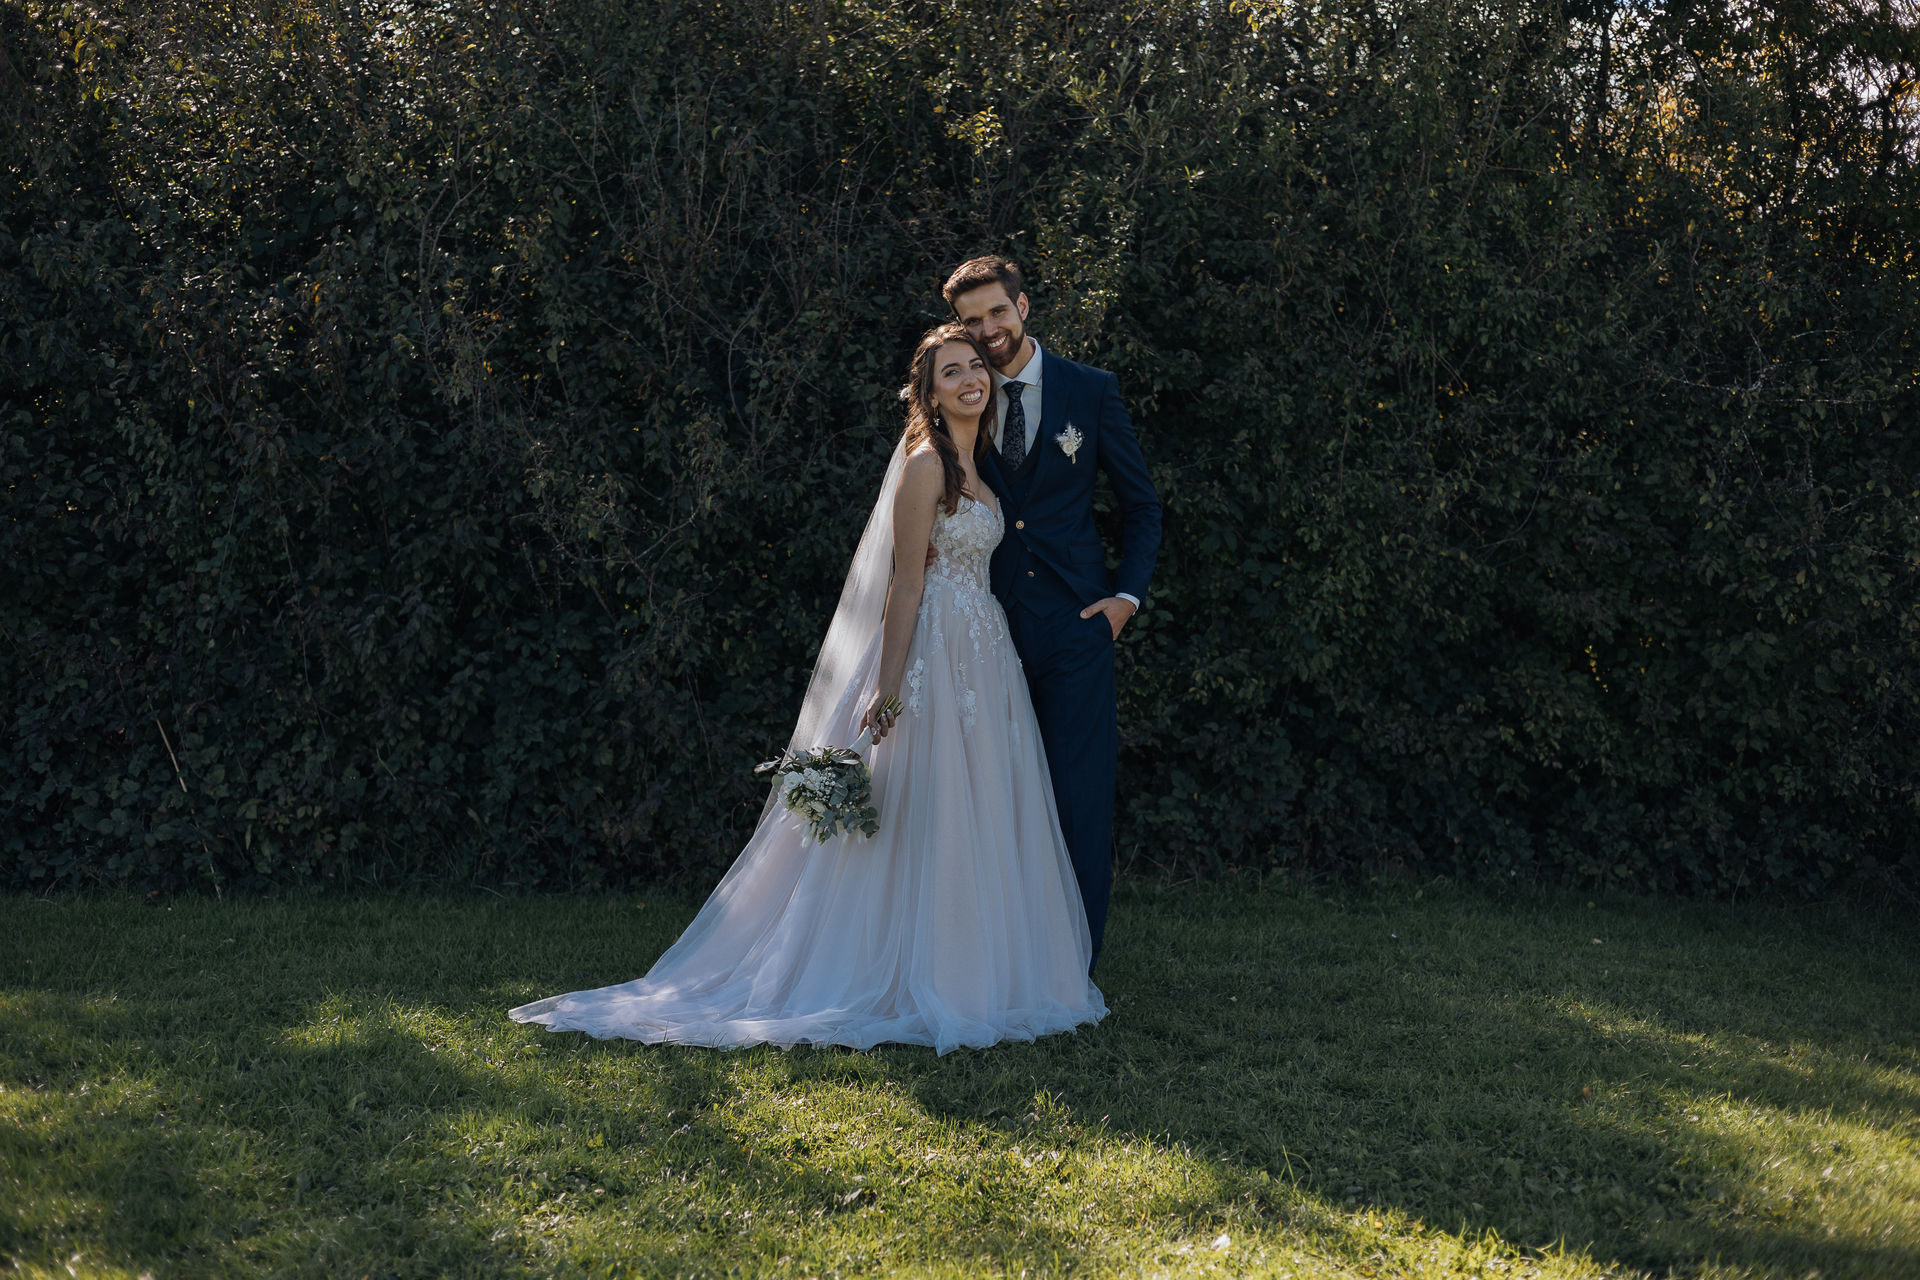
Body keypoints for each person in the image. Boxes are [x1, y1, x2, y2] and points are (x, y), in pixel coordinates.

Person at [509, 324, 1106, 1052]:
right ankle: (913, 969)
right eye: (950, 373)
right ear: (928, 394)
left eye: (975, 367)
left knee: (980, 802)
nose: (969, 380)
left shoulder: (979, 466)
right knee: (928, 805)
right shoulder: (926, 466)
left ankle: (984, 967)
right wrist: (888, 686)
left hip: (984, 652)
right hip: (935, 650)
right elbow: (905, 585)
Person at [940, 256, 1162, 973]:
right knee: (994, 796)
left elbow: (1142, 506)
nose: (987, 331)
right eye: (971, 321)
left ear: (1023, 307)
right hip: (987, 628)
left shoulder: (1090, 390)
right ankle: (1002, 960)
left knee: (1079, 795)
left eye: (996, 313)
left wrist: (1125, 600)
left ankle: (1074, 965)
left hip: (1076, 624)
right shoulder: (962, 394)